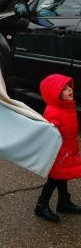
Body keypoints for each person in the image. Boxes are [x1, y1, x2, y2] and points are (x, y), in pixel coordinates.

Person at [34, 74, 81, 222]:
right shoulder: (54, 111)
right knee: (54, 178)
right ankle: (41, 205)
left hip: (68, 149)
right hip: (59, 153)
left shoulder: (67, 106)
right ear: (55, 93)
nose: (69, 91)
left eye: (69, 87)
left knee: (63, 176)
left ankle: (64, 202)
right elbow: (49, 132)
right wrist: (52, 125)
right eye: (65, 89)